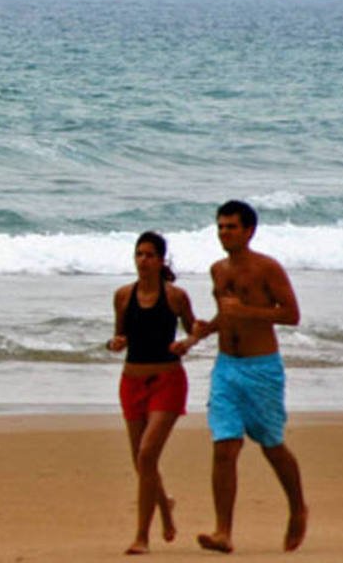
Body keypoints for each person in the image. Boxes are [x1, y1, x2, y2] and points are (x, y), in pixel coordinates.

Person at [192, 200, 308, 553]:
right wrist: (204, 330)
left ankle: (298, 508)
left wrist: (248, 311)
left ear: (249, 230)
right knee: (225, 446)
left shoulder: (266, 268)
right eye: (220, 227)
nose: (224, 233)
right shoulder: (217, 270)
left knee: (271, 445)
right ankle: (223, 531)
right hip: (226, 368)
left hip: (262, 369)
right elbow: (226, 316)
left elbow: (291, 314)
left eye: (231, 227)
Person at [108, 231, 198, 555]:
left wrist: (186, 343)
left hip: (168, 381)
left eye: (149, 255)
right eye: (139, 254)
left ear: (161, 261)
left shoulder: (175, 296)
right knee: (141, 461)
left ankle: (141, 537)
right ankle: (165, 505)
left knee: (147, 455)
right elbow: (119, 336)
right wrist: (115, 343)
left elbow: (194, 328)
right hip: (131, 382)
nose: (143, 261)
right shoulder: (122, 295)